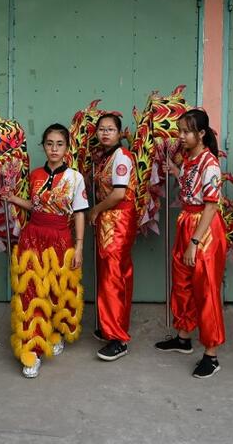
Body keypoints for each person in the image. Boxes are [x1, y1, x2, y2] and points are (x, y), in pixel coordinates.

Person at [4, 123, 87, 377]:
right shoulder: (35, 175)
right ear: (43, 146)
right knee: (30, 291)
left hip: (61, 238)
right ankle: (33, 349)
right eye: (49, 143)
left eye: (59, 144)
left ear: (66, 148)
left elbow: (80, 212)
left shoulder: (75, 177)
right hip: (33, 236)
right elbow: (35, 206)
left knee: (56, 290)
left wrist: (80, 245)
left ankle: (54, 331)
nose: (54, 149)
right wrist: (13, 198)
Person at [153, 109, 227, 378]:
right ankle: (183, 337)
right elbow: (188, 184)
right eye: (180, 131)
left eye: (186, 132)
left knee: (206, 290)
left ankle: (211, 354)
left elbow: (211, 206)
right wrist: (174, 170)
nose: (181, 136)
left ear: (201, 134)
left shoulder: (210, 164)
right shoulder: (190, 159)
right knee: (183, 285)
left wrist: (194, 242)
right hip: (187, 222)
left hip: (204, 231)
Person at [89, 113, 138, 362]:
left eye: (110, 129)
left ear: (120, 133)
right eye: (101, 129)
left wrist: (96, 209)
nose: (105, 133)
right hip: (109, 221)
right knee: (110, 273)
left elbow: (119, 194)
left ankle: (118, 338)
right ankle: (110, 327)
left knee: (113, 277)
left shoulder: (121, 157)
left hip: (117, 220)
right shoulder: (105, 157)